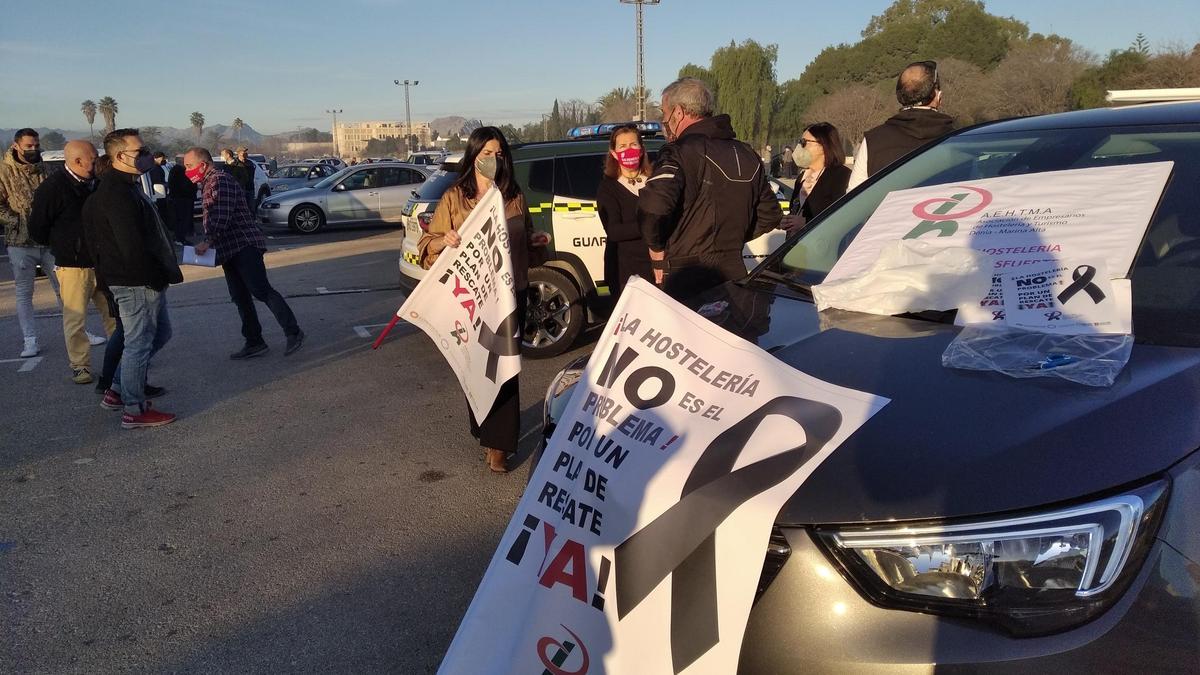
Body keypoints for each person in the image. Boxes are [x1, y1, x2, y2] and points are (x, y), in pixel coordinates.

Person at [415, 126, 549, 474]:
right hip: (469, 298)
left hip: (508, 295)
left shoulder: (513, 195)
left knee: (503, 367)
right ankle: (483, 426)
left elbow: (525, 247)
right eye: (486, 153)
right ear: (473, 156)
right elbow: (426, 248)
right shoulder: (454, 198)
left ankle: (500, 445)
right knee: (475, 368)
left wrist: (535, 241)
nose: (493, 159)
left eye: (499, 153)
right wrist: (445, 239)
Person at [637, 78, 782, 299]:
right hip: (733, 272)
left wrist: (658, 248)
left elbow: (653, 208)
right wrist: (730, 240)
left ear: (678, 112)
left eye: (664, 113)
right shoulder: (746, 153)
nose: (663, 120)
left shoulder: (679, 151)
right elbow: (770, 214)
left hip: (687, 277)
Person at [82, 129, 181, 429]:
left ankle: (116, 390)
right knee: (138, 343)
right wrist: (153, 277)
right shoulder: (115, 194)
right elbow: (131, 245)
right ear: (119, 157)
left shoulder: (127, 186)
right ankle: (134, 410)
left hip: (139, 279)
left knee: (159, 333)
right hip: (135, 281)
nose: (147, 156)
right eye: (140, 152)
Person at [184, 146, 304, 359]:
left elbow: (221, 215)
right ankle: (254, 341)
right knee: (240, 296)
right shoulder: (210, 182)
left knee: (261, 290)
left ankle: (293, 331)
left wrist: (207, 241)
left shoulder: (219, 180)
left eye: (189, 166)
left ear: (203, 164)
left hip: (244, 245)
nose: (187, 171)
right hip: (229, 249)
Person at [28, 141, 116, 384]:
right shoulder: (52, 188)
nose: (97, 162)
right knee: (75, 319)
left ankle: (122, 359)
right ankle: (80, 366)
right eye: (93, 158)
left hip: (103, 262)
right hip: (73, 266)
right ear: (77, 162)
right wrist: (65, 247)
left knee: (113, 313)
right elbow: (37, 227)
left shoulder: (98, 183)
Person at [1, 128, 65, 358]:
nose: (34, 149)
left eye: (36, 145)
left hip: (49, 242)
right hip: (20, 243)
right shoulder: (3, 171)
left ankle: (78, 332)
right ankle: (30, 340)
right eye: (29, 146)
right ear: (16, 145)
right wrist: (19, 221)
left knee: (64, 289)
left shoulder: (46, 169)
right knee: (24, 293)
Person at [848, 60, 954, 190]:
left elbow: (854, 195)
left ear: (900, 96)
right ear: (938, 96)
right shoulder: (961, 139)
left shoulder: (874, 140)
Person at [595, 123, 653, 300]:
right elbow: (614, 230)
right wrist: (650, 225)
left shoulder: (654, 181)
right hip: (624, 270)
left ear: (641, 149)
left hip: (655, 267)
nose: (629, 150)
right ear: (613, 152)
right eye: (623, 146)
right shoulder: (608, 187)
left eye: (633, 145)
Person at [782, 123, 852, 232]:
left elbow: (843, 218)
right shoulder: (802, 176)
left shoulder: (842, 176)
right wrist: (788, 221)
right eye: (800, 142)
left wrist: (806, 223)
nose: (799, 147)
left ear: (823, 146)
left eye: (804, 142)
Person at [166, 155, 197, 244]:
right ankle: (179, 238)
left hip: (183, 198)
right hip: (182, 199)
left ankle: (181, 237)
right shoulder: (178, 171)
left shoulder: (177, 170)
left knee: (183, 219)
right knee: (181, 219)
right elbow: (184, 185)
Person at [234, 146, 257, 212]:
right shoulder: (235, 163)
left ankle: (252, 220)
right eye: (243, 152)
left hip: (250, 188)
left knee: (251, 207)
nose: (245, 154)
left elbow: (251, 175)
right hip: (239, 189)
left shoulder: (250, 163)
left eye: (246, 152)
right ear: (238, 153)